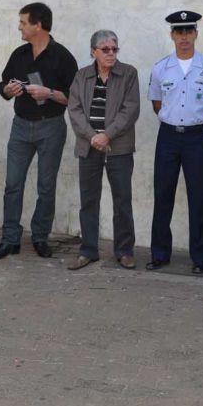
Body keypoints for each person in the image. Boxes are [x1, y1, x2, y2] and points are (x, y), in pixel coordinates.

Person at [0, 2, 78, 261]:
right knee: (12, 184)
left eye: (23, 22)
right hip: (20, 125)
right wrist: (8, 90)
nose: (19, 27)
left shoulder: (63, 56)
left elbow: (74, 97)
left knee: (46, 186)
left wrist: (49, 93)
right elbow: (3, 84)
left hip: (51, 126)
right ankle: (9, 239)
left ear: (38, 25)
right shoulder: (19, 54)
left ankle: (40, 237)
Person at [146, 10, 203, 274]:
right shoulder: (161, 68)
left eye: (189, 31)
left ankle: (200, 258)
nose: (184, 37)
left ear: (196, 34)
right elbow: (157, 103)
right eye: (179, 32)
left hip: (195, 137)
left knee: (199, 196)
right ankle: (159, 254)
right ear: (172, 35)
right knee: (162, 194)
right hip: (167, 136)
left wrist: (198, 120)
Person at [66, 30, 141, 271]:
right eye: (105, 49)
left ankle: (124, 251)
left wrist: (107, 134)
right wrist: (93, 137)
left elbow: (131, 109)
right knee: (88, 200)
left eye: (114, 49)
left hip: (118, 147)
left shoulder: (128, 73)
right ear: (93, 52)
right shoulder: (82, 76)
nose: (111, 53)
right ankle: (88, 250)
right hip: (89, 147)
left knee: (122, 199)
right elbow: (74, 110)